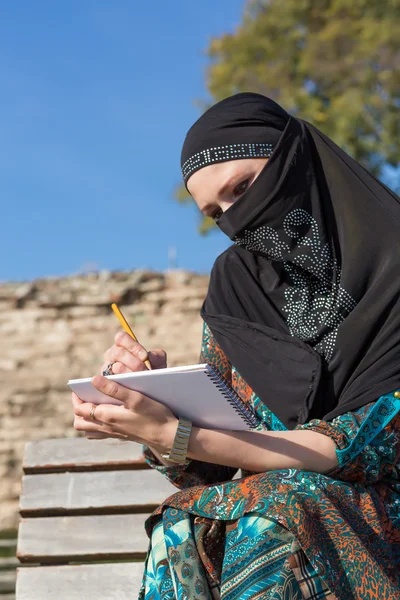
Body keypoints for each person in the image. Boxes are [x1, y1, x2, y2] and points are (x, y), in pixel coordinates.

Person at [71, 93, 400, 599]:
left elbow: (359, 446)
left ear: (295, 159)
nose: (234, 218)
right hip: (284, 512)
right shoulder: (238, 287)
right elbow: (215, 467)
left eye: (242, 187)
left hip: (378, 529)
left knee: (279, 506)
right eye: (214, 211)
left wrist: (177, 433)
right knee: (185, 521)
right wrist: (154, 406)